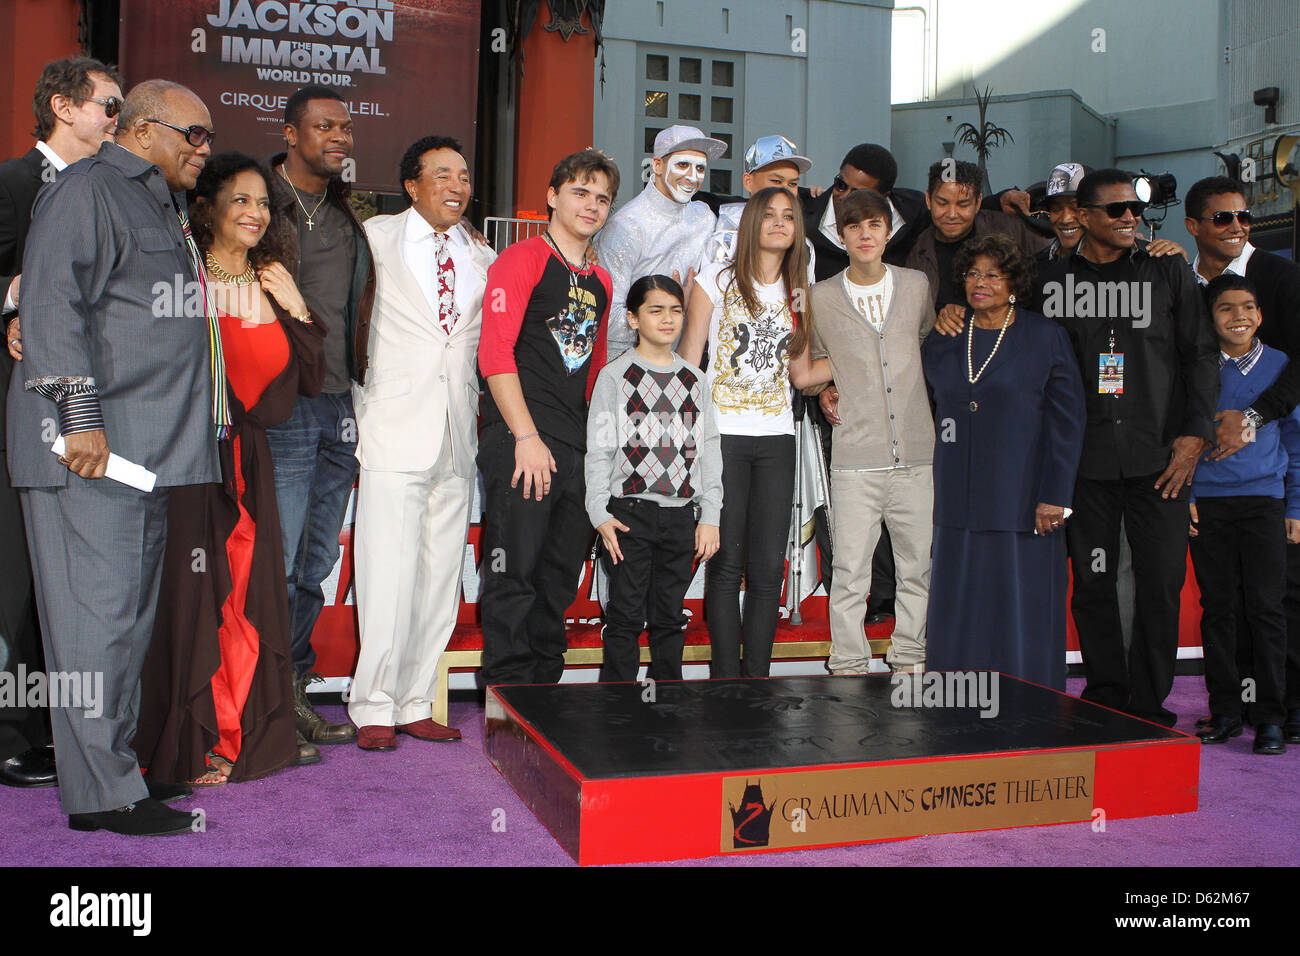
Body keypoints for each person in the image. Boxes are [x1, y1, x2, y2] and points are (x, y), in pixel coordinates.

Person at [6, 79, 219, 835]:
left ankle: (112, 771)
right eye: (192, 134)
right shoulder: (87, 189)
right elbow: (52, 304)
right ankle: (103, 793)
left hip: (144, 452)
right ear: (143, 129)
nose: (204, 149)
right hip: (90, 451)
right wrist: (81, 416)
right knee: (96, 626)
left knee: (123, 623)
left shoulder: (152, 198)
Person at [135, 152, 325, 784]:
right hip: (191, 460)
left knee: (248, 596)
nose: (255, 212)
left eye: (264, 203)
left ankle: (236, 733)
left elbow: (309, 378)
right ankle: (192, 740)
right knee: (196, 597)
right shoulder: (185, 276)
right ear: (209, 207)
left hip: (252, 463)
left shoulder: (275, 279)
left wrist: (295, 303)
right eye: (241, 199)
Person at [1035, 168, 1218, 726]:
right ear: (1083, 217)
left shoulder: (1168, 269)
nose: (1129, 219)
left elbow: (1201, 355)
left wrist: (1193, 436)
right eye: (1115, 210)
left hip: (1160, 457)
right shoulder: (1053, 280)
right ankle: (1107, 691)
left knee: (1160, 581)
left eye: (1135, 211)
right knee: (1093, 579)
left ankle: (1149, 700)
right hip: (1084, 458)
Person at [348, 136, 495, 750]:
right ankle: (373, 705)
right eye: (442, 175)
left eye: (463, 175)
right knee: (385, 571)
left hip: (457, 434)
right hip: (391, 426)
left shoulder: (483, 257)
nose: (457, 186)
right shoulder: (373, 238)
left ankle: (413, 698)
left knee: (439, 577)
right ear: (412, 185)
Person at [0, 56, 121, 790]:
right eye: (107, 105)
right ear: (61, 106)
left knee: (73, 585)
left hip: (98, 415)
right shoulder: (13, 184)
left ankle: (60, 732)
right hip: (18, 409)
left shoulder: (112, 191)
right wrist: (23, 300)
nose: (115, 120)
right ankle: (10, 732)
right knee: (16, 579)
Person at [476, 149, 618, 685]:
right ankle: (509, 699)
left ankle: (544, 695)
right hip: (521, 440)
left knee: (559, 577)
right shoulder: (522, 260)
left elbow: (597, 370)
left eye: (602, 198)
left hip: (577, 447)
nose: (591, 205)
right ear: (552, 195)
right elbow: (495, 355)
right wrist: (525, 437)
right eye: (580, 192)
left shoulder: (602, 282)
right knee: (514, 571)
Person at [921, 235, 1085, 689]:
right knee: (960, 607)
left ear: (1014, 283)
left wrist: (1056, 496)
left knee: (1021, 610)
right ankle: (956, 706)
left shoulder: (1044, 337)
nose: (981, 282)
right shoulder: (944, 338)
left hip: (1025, 501)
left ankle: (1028, 704)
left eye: (994, 274)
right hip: (957, 501)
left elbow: (1068, 423)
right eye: (973, 273)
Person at [788, 189, 937, 675]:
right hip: (855, 457)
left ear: (889, 232)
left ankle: (910, 656)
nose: (866, 234)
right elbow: (806, 370)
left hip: (916, 453)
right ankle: (848, 662)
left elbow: (918, 344)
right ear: (841, 235)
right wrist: (827, 386)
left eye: (875, 224)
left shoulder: (916, 285)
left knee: (917, 568)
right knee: (851, 572)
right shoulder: (822, 297)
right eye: (855, 226)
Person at [265, 85, 374, 745]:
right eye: (325, 126)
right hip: (282, 407)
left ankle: (295, 694)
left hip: (339, 406)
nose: (340, 137)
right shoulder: (253, 205)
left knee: (313, 566)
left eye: (346, 128)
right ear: (290, 133)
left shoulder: (345, 216)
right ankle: (265, 705)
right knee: (276, 565)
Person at [1184, 175, 1300, 743]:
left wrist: (1294, 501)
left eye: (1249, 307)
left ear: (1261, 312)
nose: (1239, 315)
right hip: (1209, 503)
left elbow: (1295, 441)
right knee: (1219, 608)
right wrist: (1186, 493)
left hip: (1265, 501)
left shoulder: (1279, 362)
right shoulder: (1198, 370)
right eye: (1222, 218)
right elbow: (1177, 433)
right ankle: (1227, 708)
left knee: (1269, 608)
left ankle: (1273, 714)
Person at [680, 186, 808, 678]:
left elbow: (800, 374)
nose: (779, 223)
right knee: (725, 562)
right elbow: (690, 361)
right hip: (722, 436)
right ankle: (724, 680)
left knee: (768, 566)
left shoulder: (799, 289)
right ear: (751, 222)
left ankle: (757, 678)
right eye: (769, 214)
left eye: (789, 216)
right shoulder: (715, 279)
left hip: (778, 439)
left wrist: (852, 361)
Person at [586, 275, 723, 682]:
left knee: (669, 616)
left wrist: (710, 515)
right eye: (655, 310)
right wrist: (598, 511)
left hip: (682, 516)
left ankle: (668, 708)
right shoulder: (616, 376)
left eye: (676, 310)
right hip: (628, 514)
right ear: (632, 318)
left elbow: (709, 449)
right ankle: (617, 711)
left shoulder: (695, 380)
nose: (668, 319)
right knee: (625, 614)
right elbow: (600, 448)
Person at [596, 125, 725, 362]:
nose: (693, 177)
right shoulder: (626, 226)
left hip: (680, 363)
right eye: (683, 165)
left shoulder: (705, 218)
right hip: (623, 365)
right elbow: (606, 318)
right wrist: (671, 309)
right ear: (657, 165)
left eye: (700, 168)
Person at [905, 160, 1048, 312]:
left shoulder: (1011, 229)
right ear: (928, 199)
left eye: (963, 204)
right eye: (942, 203)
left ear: (978, 202)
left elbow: (1050, 268)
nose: (952, 214)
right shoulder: (916, 251)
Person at [698, 134, 815, 270]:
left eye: (793, 184)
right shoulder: (720, 229)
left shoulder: (804, 245)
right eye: (776, 181)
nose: (785, 191)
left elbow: (800, 290)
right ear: (748, 182)